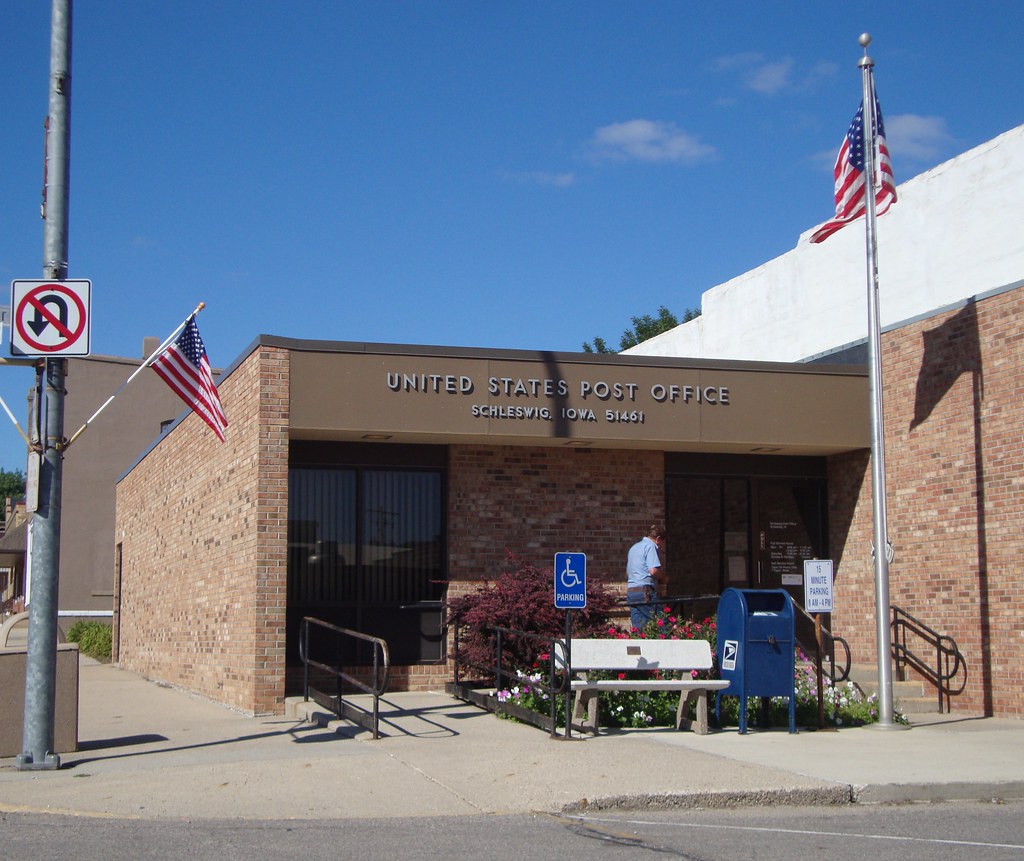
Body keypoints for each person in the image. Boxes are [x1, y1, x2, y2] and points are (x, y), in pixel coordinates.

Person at [626, 524, 667, 630]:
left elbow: (628, 572)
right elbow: (653, 571)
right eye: (662, 542)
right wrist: (663, 577)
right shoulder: (650, 546)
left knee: (639, 629)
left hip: (631, 592)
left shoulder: (634, 548)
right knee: (663, 625)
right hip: (645, 593)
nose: (661, 546)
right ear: (658, 539)